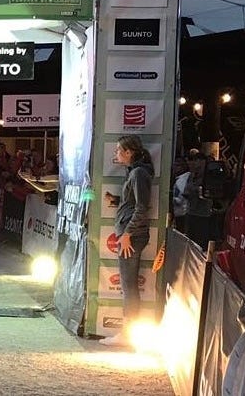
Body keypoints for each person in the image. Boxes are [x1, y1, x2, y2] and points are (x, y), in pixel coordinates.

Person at [100, 135, 154, 347]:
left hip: (132, 236)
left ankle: (127, 334)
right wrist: (115, 201)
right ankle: (128, 333)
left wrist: (127, 234)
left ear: (129, 152)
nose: (116, 155)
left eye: (118, 151)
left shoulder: (139, 173)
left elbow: (142, 207)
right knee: (128, 285)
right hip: (130, 234)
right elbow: (133, 203)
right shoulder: (135, 172)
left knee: (129, 286)